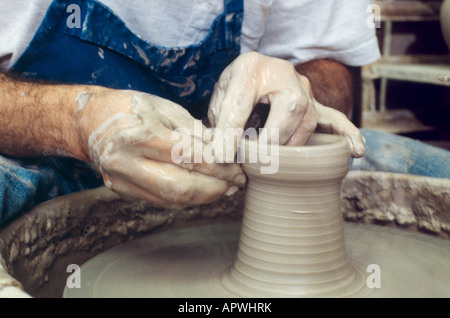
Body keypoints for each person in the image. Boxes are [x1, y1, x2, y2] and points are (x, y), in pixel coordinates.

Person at [1, 0, 446, 226]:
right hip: (39, 153)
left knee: (429, 174)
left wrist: (293, 87)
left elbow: (333, 68)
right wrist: (76, 121)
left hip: (233, 163)